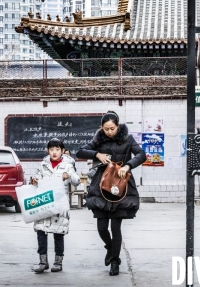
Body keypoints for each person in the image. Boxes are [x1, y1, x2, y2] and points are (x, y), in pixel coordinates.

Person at [77, 111, 147, 276]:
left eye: (112, 128)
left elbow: (141, 154)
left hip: (121, 186)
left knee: (116, 227)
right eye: (106, 129)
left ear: (118, 126)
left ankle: (115, 261)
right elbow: (80, 151)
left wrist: (128, 166)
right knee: (102, 227)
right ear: (102, 128)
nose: (109, 132)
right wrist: (96, 154)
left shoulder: (127, 139)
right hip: (101, 186)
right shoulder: (98, 139)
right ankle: (110, 248)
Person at [30, 138, 80, 273]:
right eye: (51, 149)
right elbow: (37, 180)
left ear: (62, 151)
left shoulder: (67, 165)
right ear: (48, 151)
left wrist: (68, 174)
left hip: (59, 204)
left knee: (58, 233)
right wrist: (34, 181)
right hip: (44, 202)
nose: (54, 152)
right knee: (41, 230)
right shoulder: (43, 165)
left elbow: (77, 181)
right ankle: (43, 261)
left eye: (57, 149)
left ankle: (58, 262)